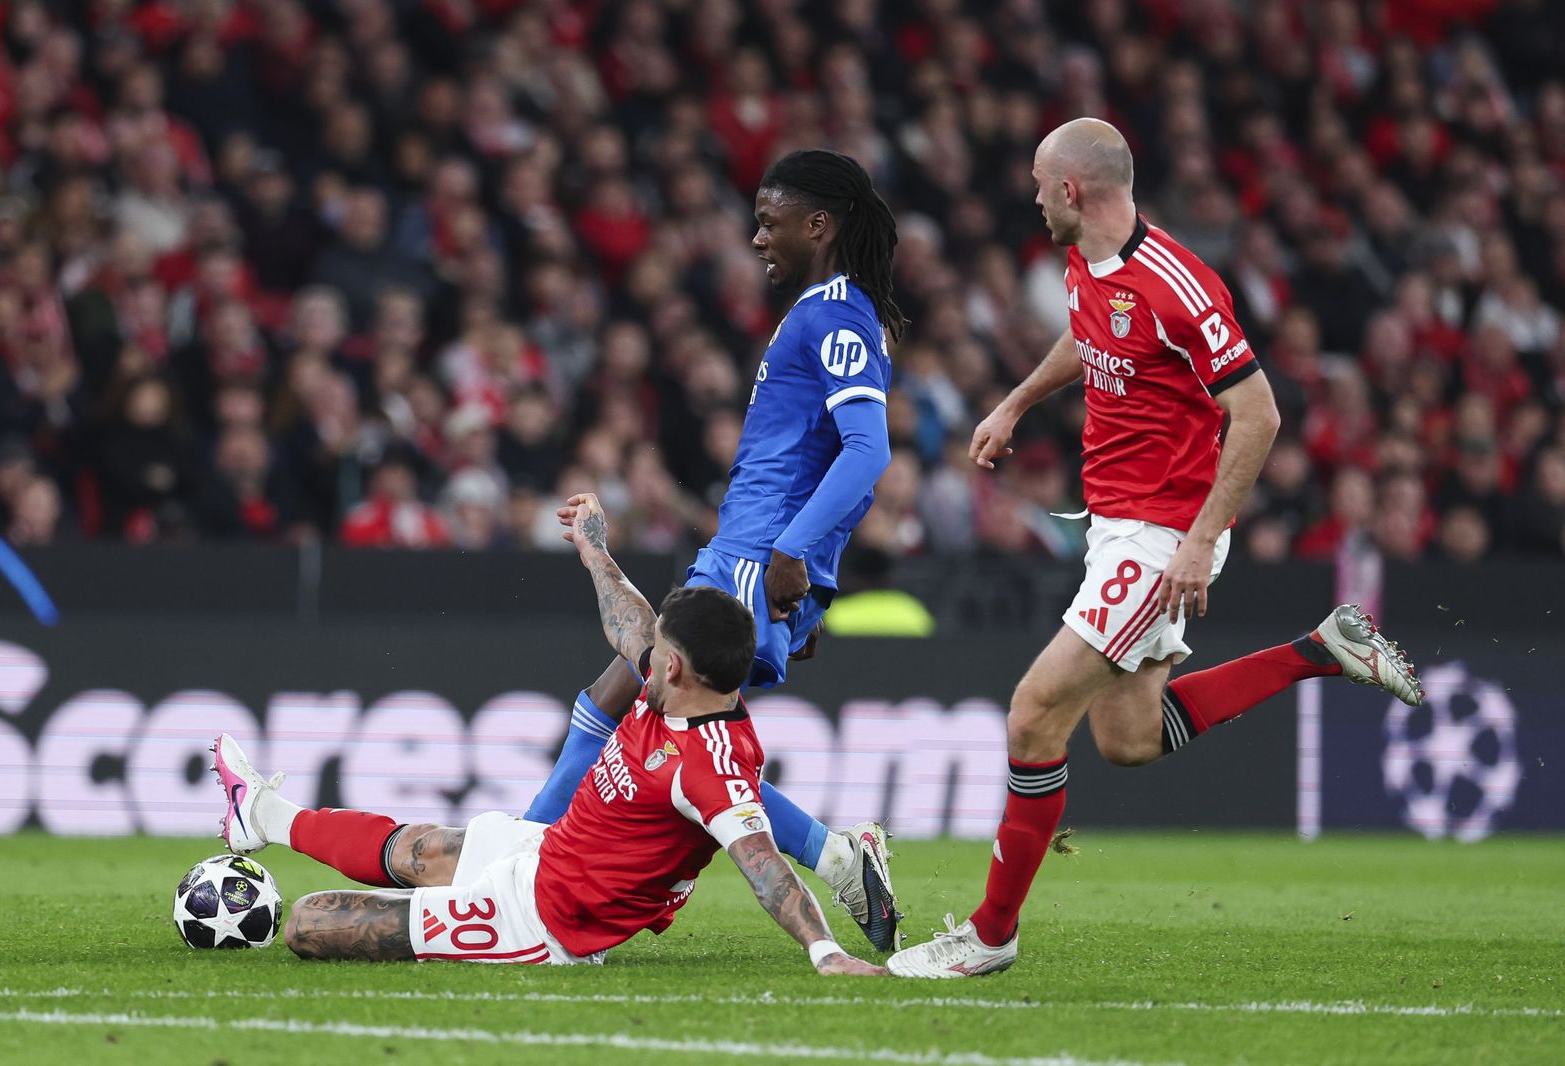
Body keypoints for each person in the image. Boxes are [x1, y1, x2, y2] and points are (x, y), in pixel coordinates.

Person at [885, 119, 1425, 979]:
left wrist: (1199, 541)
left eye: (1040, 183)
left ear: (1072, 190)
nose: (1032, 197)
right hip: (1117, 525)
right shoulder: (1086, 261)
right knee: (1130, 738)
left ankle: (989, 935)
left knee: (1033, 713)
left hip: (1164, 533)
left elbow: (1259, 414)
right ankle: (1322, 650)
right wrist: (1016, 403)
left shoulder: (1182, 286)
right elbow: (1089, 335)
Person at [212, 492, 885, 975]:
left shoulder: (710, 767)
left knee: (309, 921)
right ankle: (262, 816)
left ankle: (439, 914)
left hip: (541, 922)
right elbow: (627, 620)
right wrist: (594, 550)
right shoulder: (682, 687)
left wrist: (827, 953)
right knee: (421, 846)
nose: (643, 652)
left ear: (674, 667)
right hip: (544, 855)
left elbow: (767, 872)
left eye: (656, 649)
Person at [519, 149, 906, 950]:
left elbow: (868, 451)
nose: (757, 237)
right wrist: (810, 577)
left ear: (818, 225)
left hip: (756, 552)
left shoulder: (834, 314)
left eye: (770, 222)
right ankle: (836, 857)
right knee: (644, 704)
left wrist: (792, 555)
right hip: (756, 551)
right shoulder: (833, 311)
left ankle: (525, 857)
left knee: (652, 701)